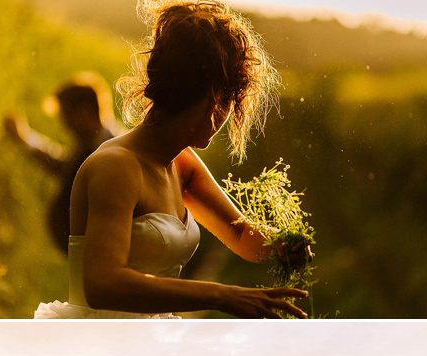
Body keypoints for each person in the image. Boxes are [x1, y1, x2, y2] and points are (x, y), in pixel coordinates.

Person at [35, 0, 311, 319]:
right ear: (211, 99)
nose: (225, 116)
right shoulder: (116, 166)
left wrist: (283, 246)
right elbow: (102, 284)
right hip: (98, 342)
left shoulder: (183, 165)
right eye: (227, 101)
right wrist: (220, 295)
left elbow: (239, 234)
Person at [3, 76, 120, 253]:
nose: (65, 125)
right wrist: (25, 138)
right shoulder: (91, 146)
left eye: (66, 116)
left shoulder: (114, 151)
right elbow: (63, 165)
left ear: (85, 112)